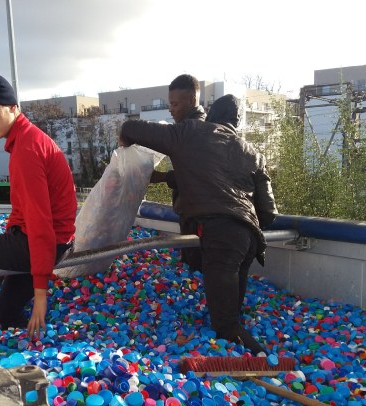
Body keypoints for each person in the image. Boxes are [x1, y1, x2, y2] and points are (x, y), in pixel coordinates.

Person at [119, 96, 278, 354]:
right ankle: (238, 345)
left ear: (211, 114)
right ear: (238, 121)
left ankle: (261, 363)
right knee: (230, 306)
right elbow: (268, 212)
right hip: (247, 238)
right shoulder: (253, 152)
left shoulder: (192, 132)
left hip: (219, 236)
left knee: (226, 324)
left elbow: (131, 128)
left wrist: (124, 142)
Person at [0, 73, 77, 339]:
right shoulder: (28, 140)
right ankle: (22, 347)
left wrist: (40, 293)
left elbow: (40, 225)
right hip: (51, 243)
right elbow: (23, 213)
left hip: (40, 244)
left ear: (12, 106)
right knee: (6, 311)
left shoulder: (26, 150)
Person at [150, 74, 206, 272]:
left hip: (198, 214)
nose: (170, 109)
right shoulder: (191, 128)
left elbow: (197, 176)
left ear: (191, 101)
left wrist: (162, 177)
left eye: (175, 104)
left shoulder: (194, 131)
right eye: (169, 104)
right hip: (190, 210)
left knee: (197, 267)